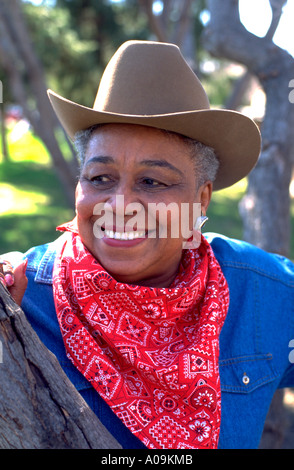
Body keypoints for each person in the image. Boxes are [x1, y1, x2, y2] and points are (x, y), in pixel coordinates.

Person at [1, 40, 294, 450]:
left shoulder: (261, 293)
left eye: (152, 182)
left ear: (201, 200)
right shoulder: (19, 298)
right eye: (100, 178)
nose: (119, 206)